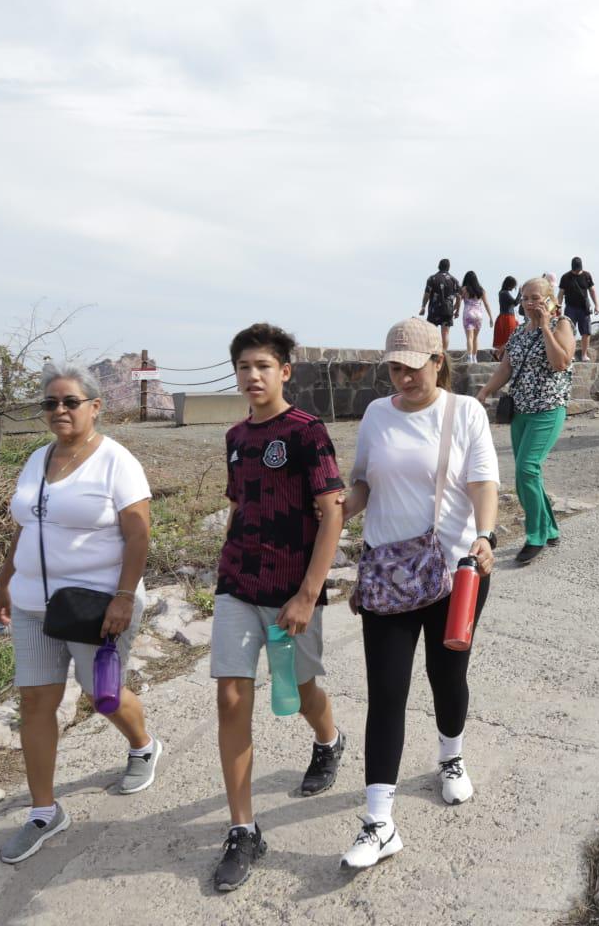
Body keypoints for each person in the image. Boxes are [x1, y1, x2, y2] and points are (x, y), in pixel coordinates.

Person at [338, 318, 499, 870]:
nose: (402, 376)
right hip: (387, 572)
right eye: (394, 367)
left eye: (413, 365)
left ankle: (449, 757)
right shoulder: (376, 415)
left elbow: (482, 482)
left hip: (455, 571)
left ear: (438, 360)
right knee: (385, 692)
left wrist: (485, 534)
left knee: (446, 676)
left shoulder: (465, 412)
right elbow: (361, 482)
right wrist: (337, 507)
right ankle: (378, 821)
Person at [0, 362, 160, 865]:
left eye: (70, 402)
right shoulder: (36, 459)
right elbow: (26, 526)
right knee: (35, 704)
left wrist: (124, 597)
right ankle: (44, 812)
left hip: (96, 604)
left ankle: (144, 745)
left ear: (94, 406)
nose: (59, 410)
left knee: (101, 695)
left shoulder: (117, 461)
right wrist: (3, 580)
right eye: (50, 403)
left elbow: (138, 534)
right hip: (32, 605)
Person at [209, 323, 347, 892]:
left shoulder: (307, 433)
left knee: (304, 689)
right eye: (244, 367)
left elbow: (332, 511)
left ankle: (329, 741)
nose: (253, 376)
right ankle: (243, 828)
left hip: (293, 592)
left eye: (263, 366)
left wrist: (309, 595)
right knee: (231, 694)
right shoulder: (236, 436)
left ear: (285, 371)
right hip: (238, 584)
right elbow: (241, 508)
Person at [477, 276, 574, 564]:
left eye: (535, 297)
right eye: (525, 297)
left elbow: (561, 362)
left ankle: (536, 536)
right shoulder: (518, 333)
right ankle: (551, 527)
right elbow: (506, 367)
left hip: (548, 409)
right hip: (520, 411)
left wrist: (545, 326)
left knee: (527, 469)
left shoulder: (562, 324)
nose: (530, 302)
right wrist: (484, 391)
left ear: (549, 299)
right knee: (525, 474)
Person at [557, 257, 599, 362]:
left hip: (584, 308)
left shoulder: (586, 275)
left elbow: (592, 291)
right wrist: (558, 306)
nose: (577, 271)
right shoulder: (565, 277)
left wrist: (597, 305)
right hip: (570, 308)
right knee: (569, 331)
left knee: (586, 332)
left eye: (578, 269)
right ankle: (570, 354)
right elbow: (561, 293)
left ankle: (584, 355)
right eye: (575, 269)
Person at [420, 259, 462, 353]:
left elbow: (427, 294)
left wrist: (423, 306)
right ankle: (444, 354)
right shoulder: (454, 280)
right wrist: (457, 310)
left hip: (434, 309)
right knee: (445, 332)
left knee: (431, 332)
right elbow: (459, 297)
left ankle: (433, 352)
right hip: (448, 310)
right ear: (448, 267)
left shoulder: (432, 278)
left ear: (439, 266)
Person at [458, 270, 493, 364]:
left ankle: (469, 358)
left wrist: (455, 310)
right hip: (479, 315)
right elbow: (486, 304)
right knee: (476, 338)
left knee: (469, 337)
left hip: (468, 314)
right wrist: (490, 317)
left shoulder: (464, 289)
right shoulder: (481, 290)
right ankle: (475, 358)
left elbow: (458, 301)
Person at [492, 276, 520, 361]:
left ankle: (500, 356)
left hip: (505, 317)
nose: (513, 288)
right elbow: (515, 303)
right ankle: (498, 353)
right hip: (508, 318)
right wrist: (520, 293)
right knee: (511, 338)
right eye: (513, 286)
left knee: (507, 338)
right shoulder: (504, 293)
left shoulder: (502, 292)